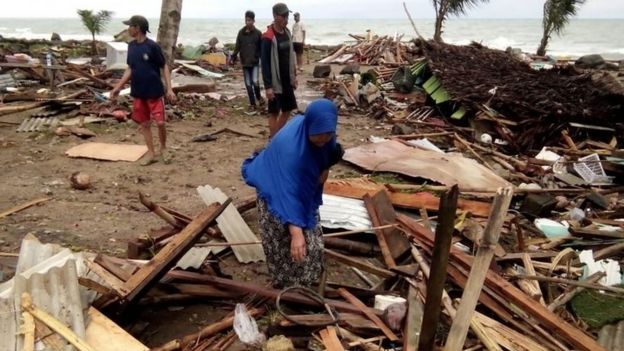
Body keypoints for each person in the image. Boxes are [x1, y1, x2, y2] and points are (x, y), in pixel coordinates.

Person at [241, 99, 344, 288]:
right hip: (275, 186)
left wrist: (324, 168)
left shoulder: (326, 135)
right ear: (309, 128)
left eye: (327, 135)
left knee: (310, 237)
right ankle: (286, 285)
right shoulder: (292, 153)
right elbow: (288, 195)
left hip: (299, 185)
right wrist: (296, 233)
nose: (322, 140)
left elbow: (328, 156)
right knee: (284, 239)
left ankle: (308, 280)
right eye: (318, 136)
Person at [110, 15, 176, 166]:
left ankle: (164, 149)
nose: (128, 29)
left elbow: (163, 66)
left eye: (130, 26)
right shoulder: (131, 46)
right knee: (144, 124)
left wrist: (170, 89)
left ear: (137, 28)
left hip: (155, 91)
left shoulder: (152, 46)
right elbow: (130, 68)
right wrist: (117, 87)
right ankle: (151, 152)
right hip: (139, 92)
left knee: (160, 123)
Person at [261, 2, 298, 137]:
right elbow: (264, 63)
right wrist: (268, 86)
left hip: (287, 79)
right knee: (274, 112)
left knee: (288, 109)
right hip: (275, 82)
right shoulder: (268, 37)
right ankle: (273, 140)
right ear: (276, 16)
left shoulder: (287, 33)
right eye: (284, 16)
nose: (286, 19)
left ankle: (276, 137)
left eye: (287, 16)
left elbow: (291, 56)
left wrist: (294, 76)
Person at [230, 10, 264, 112]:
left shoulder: (258, 33)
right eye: (246, 20)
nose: (247, 22)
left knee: (255, 82)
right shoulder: (241, 33)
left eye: (249, 20)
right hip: (245, 62)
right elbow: (237, 47)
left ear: (253, 21)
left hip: (254, 62)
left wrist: (263, 60)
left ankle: (259, 98)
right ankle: (252, 104)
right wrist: (233, 58)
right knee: (248, 84)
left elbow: (261, 48)